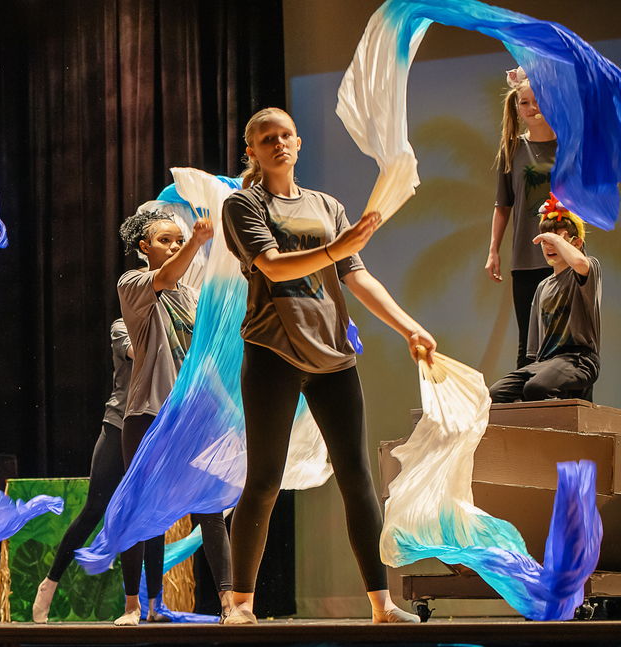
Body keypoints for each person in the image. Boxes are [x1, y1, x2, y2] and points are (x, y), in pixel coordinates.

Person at [220, 107, 436, 625]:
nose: (279, 144)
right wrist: (336, 248)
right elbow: (271, 266)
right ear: (252, 151)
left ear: (298, 142)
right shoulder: (243, 204)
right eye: (267, 139)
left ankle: (381, 605)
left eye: (286, 136)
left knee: (358, 477)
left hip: (333, 354)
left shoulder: (325, 205)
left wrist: (410, 327)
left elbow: (357, 278)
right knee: (264, 481)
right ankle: (241, 605)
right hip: (273, 350)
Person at [113, 208, 233, 626]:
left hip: (194, 418)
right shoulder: (133, 283)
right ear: (144, 248)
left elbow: (205, 360)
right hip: (148, 414)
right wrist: (198, 243)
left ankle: (230, 605)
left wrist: (227, 410)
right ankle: (134, 606)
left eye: (180, 240)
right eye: (166, 240)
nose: (176, 245)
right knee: (141, 511)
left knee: (209, 510)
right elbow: (164, 278)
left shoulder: (194, 299)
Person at [31, 318, 133, 624]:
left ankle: (149, 605)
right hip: (118, 425)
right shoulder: (121, 325)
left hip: (154, 427)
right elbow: (140, 352)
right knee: (94, 510)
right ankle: (49, 583)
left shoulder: (169, 321)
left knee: (143, 513)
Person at [489, 195, 599, 402]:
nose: (550, 246)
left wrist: (558, 240)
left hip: (580, 359)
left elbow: (580, 264)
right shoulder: (543, 287)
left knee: (537, 388)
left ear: (576, 243)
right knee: (496, 394)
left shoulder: (587, 269)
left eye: (556, 239)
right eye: (546, 240)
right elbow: (534, 352)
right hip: (547, 362)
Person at [485, 67, 557, 369]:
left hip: (563, 258)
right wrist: (493, 251)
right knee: (527, 342)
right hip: (525, 259)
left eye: (538, 100)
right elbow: (503, 205)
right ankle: (526, 412)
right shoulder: (512, 150)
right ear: (517, 107)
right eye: (525, 102)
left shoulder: (566, 147)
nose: (532, 107)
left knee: (563, 339)